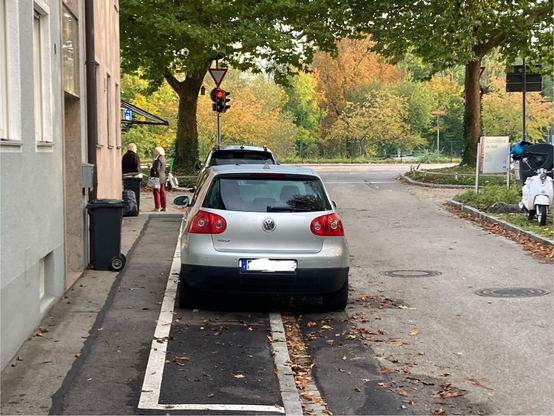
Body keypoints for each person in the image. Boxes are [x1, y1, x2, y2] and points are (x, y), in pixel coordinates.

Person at [151, 146, 167, 212]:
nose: (154, 152)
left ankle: (157, 207)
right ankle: (164, 206)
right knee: (162, 192)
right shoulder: (163, 158)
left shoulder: (158, 159)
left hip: (157, 177)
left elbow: (156, 169)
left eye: (155, 150)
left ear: (158, 152)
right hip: (162, 176)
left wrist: (151, 166)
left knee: (156, 192)